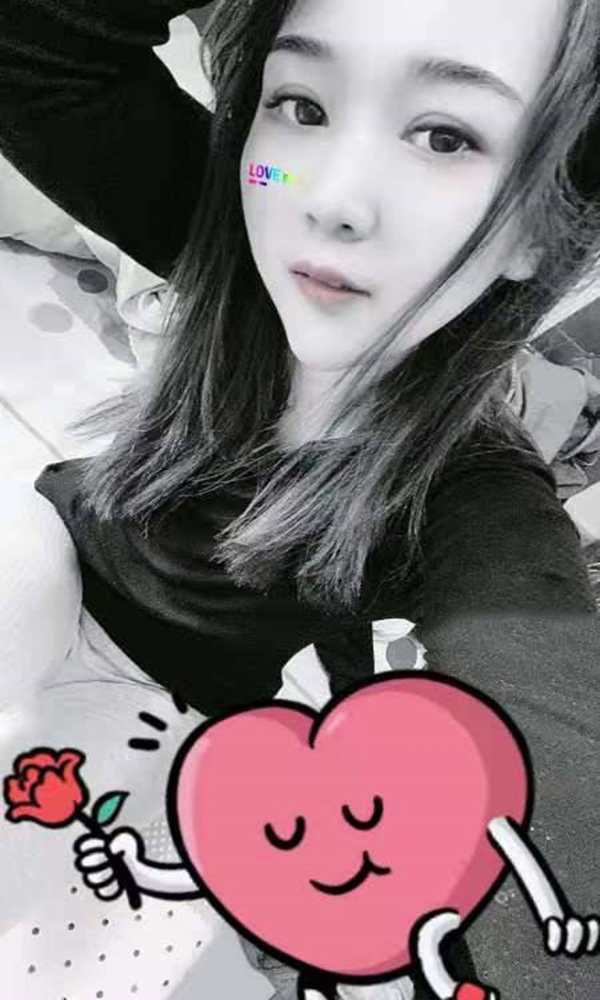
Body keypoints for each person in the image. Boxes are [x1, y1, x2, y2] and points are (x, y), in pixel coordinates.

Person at [0, 1, 599, 998]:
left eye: (444, 136)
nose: (331, 200)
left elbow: (556, 746)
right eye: (304, 106)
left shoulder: (475, 492)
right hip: (56, 563)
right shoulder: (237, 238)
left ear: (541, 232)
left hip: (198, 720)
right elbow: (38, 46)